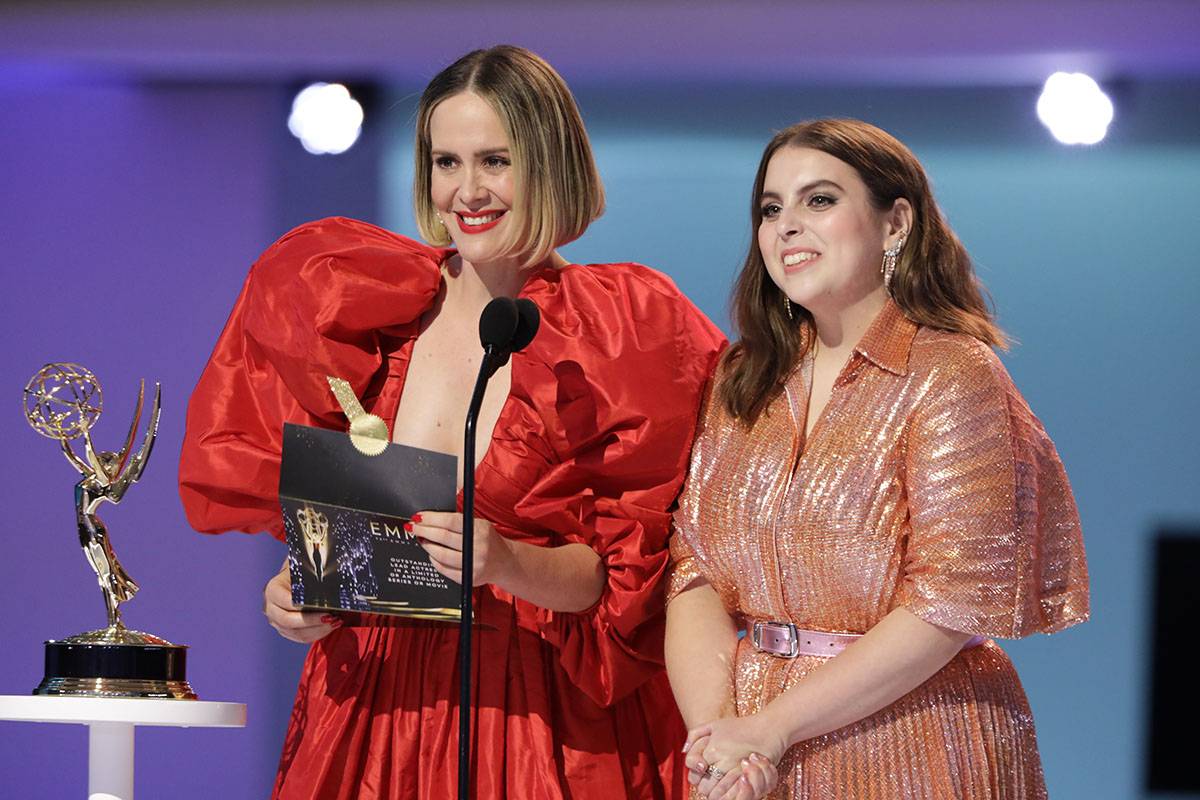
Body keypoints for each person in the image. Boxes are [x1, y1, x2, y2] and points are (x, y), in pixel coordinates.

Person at [179, 46, 732, 799]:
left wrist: (506, 562)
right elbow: (345, 540)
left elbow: (633, 583)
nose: (467, 191)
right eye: (447, 162)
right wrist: (298, 597)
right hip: (370, 708)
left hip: (537, 719)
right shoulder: (367, 313)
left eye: (496, 161)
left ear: (549, 164)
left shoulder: (623, 330)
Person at [665, 118, 1090, 799]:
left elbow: (952, 602)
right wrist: (720, 738)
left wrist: (774, 728)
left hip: (916, 742)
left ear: (895, 225)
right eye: (770, 209)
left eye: (819, 200)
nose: (786, 226)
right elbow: (694, 572)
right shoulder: (742, 378)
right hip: (749, 759)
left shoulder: (954, 372)